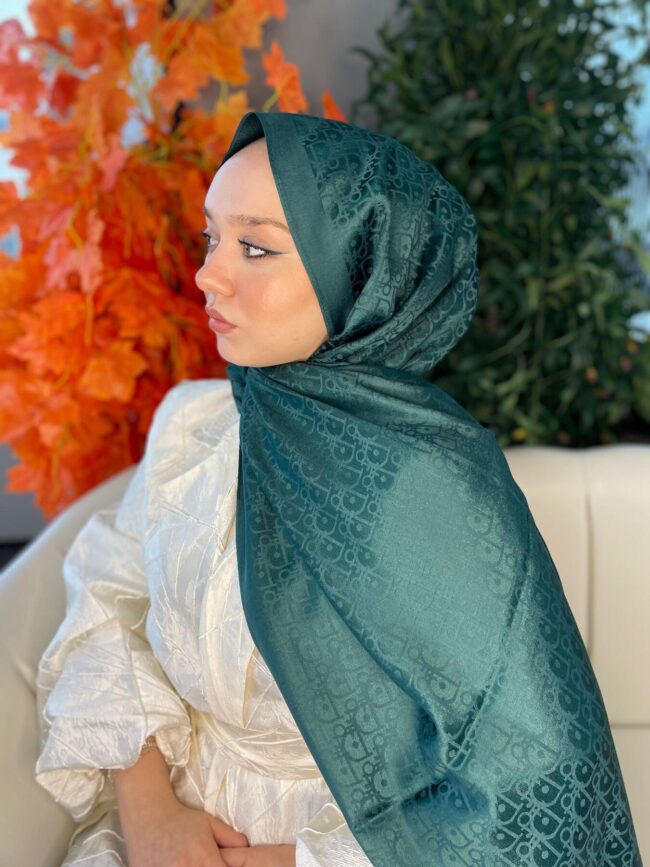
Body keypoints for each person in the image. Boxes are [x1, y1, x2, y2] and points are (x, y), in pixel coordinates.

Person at [34, 110, 642, 867]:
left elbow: (533, 782)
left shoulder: (438, 490)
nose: (207, 275)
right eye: (211, 237)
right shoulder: (196, 426)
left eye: (256, 247)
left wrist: (274, 862)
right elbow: (108, 601)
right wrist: (151, 812)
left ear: (363, 275)